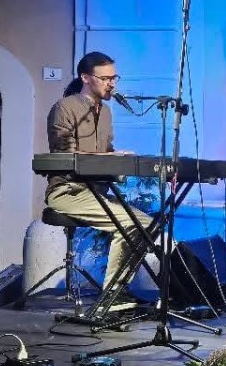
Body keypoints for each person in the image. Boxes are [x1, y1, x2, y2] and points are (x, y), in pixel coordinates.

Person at [45, 51, 152, 306]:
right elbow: (65, 154)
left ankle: (118, 291)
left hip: (95, 193)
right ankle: (112, 297)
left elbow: (104, 153)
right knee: (131, 223)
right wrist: (108, 158)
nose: (112, 84)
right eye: (105, 78)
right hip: (67, 192)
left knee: (146, 224)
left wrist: (118, 157)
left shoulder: (105, 113)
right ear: (85, 78)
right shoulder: (65, 108)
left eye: (114, 78)